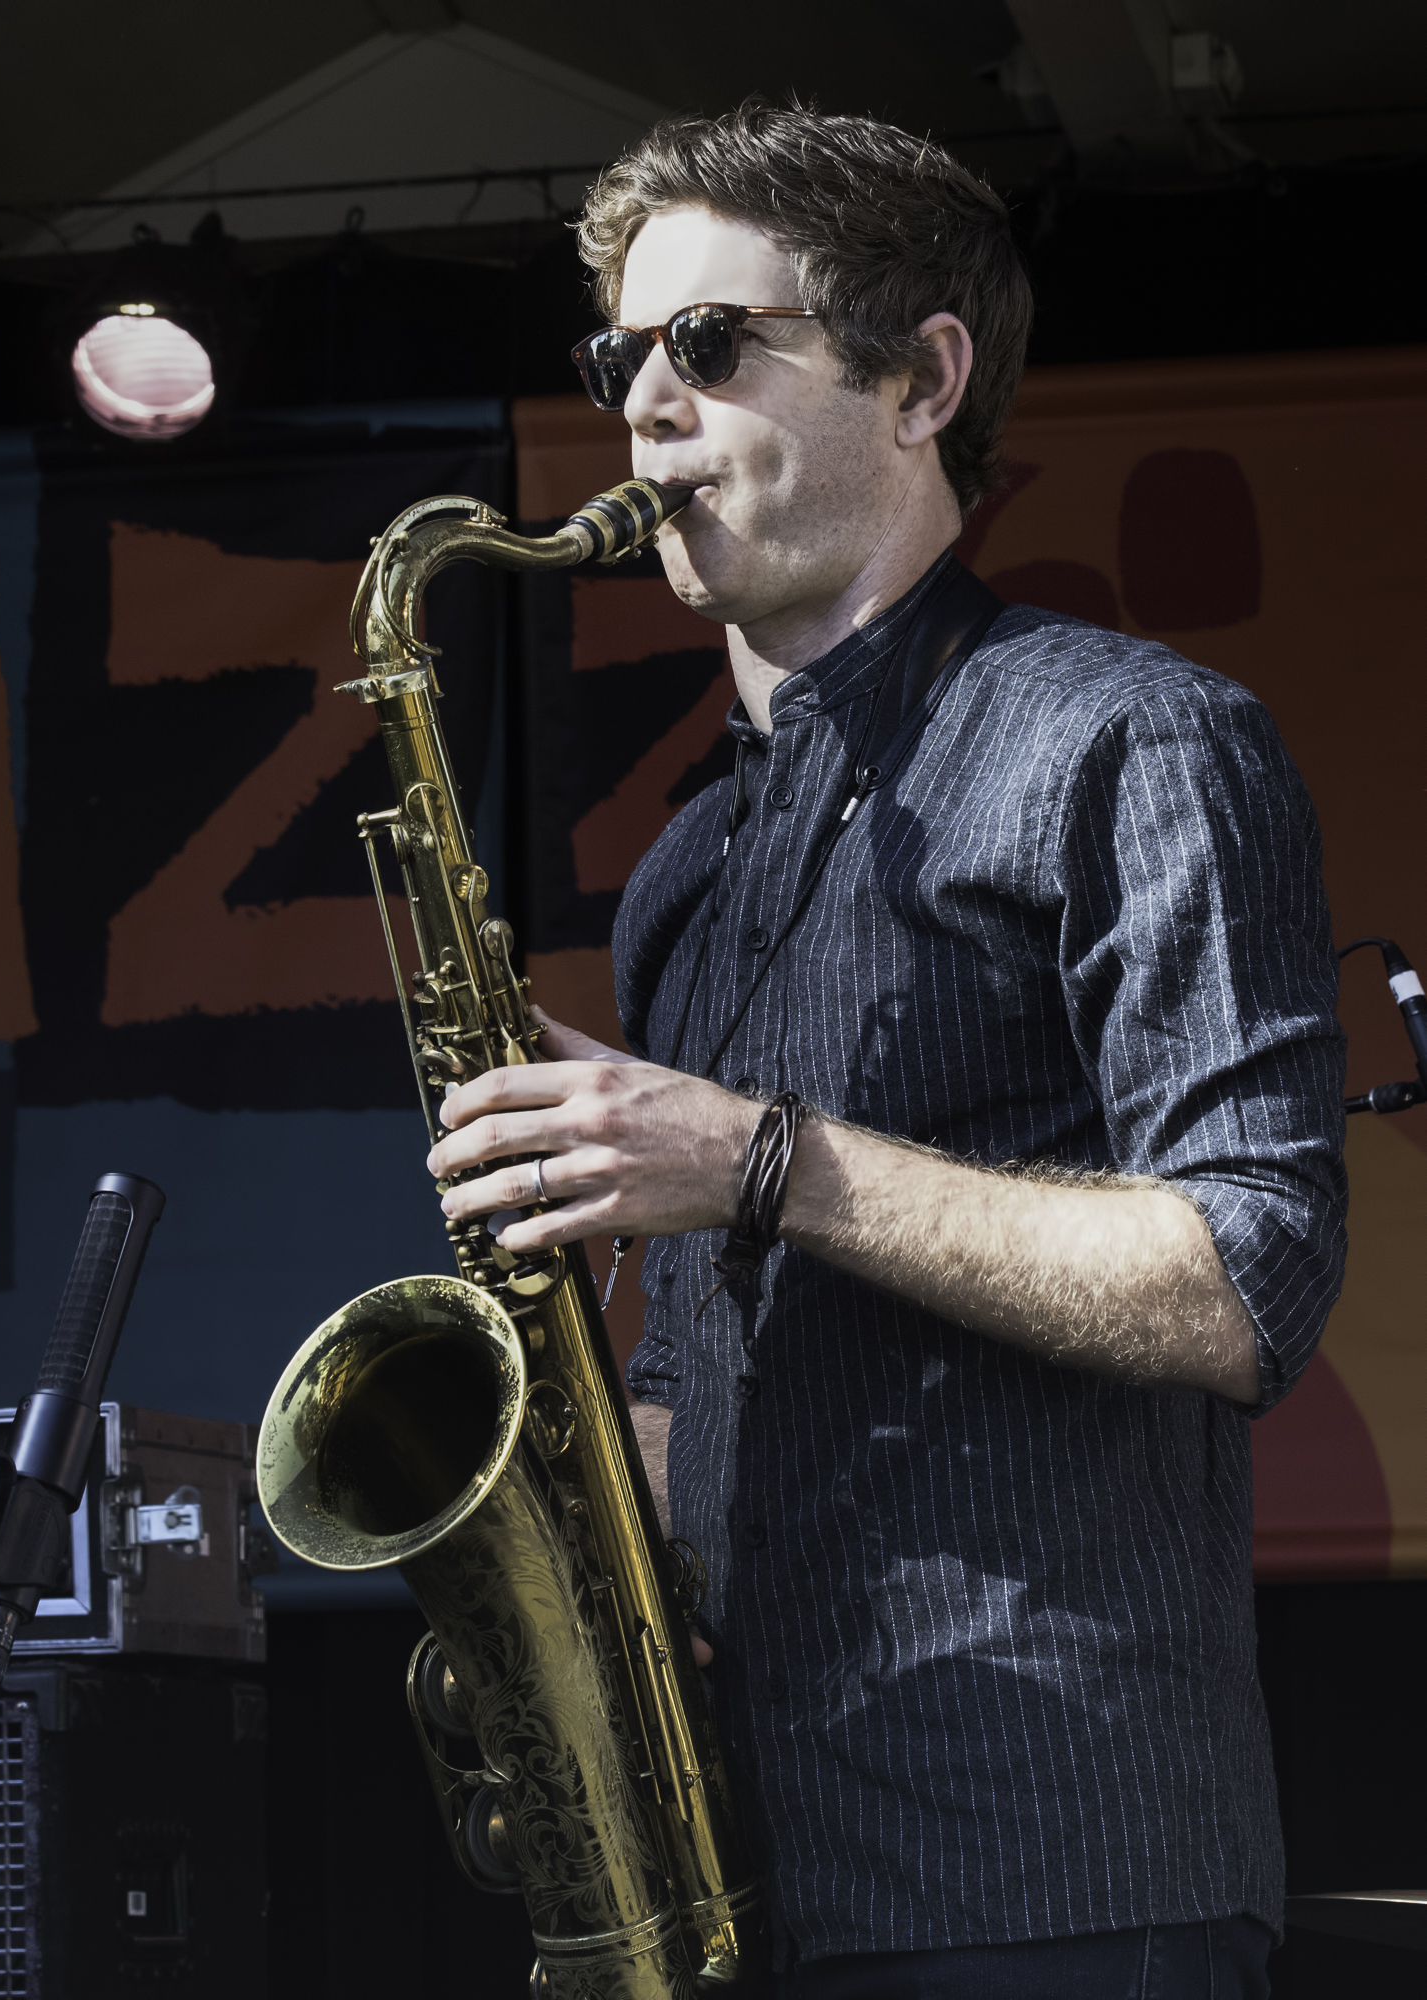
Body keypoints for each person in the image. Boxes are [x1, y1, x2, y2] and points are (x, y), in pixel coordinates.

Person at [424, 100, 1346, 1997]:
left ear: (923, 381)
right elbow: (688, 1363)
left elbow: (1248, 1278)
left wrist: (759, 1156)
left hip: (1056, 1858)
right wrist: (574, 1567)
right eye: (622, 359)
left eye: (709, 345)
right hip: (754, 1867)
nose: (646, 410)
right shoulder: (688, 864)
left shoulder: (1133, 740)